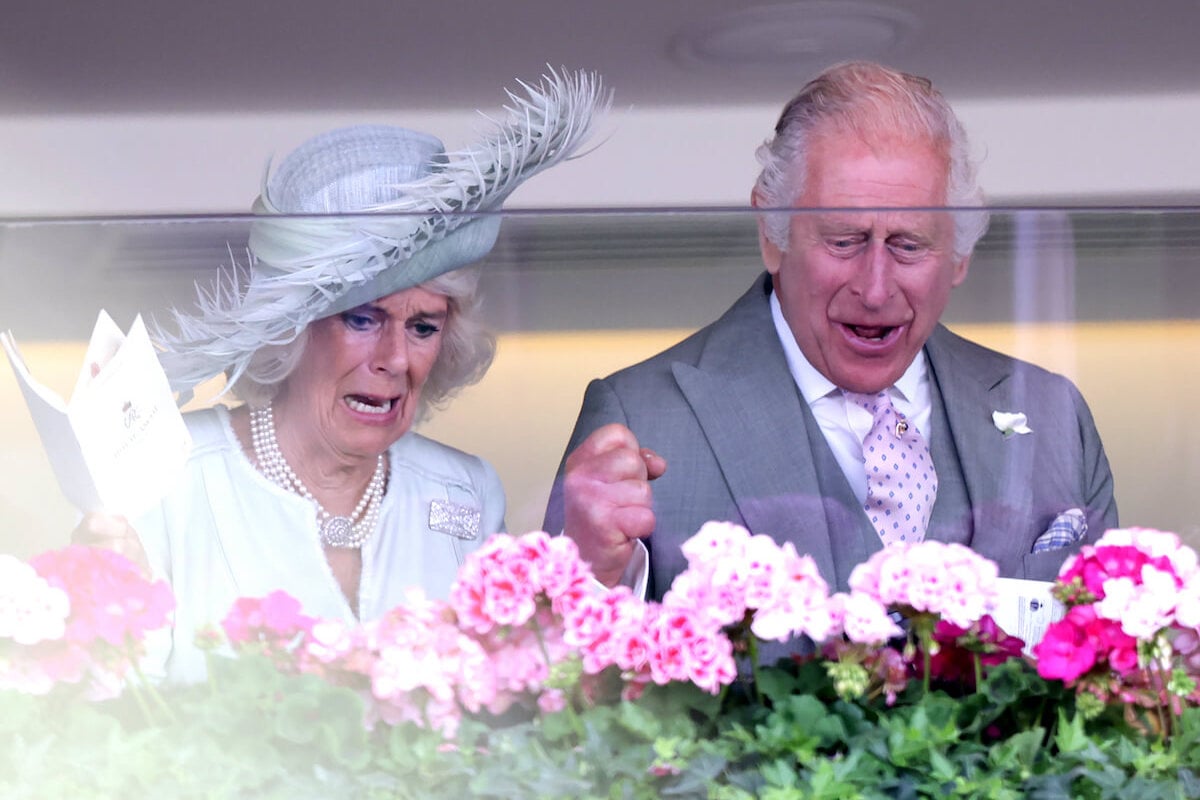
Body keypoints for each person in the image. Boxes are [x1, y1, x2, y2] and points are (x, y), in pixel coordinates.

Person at [74, 70, 608, 681]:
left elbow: (507, 704)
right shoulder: (166, 473)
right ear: (291, 330)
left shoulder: (465, 490)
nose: (396, 358)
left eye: (424, 327)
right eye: (362, 318)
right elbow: (108, 722)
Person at [545, 61, 1117, 602]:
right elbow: (556, 680)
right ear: (773, 234)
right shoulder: (638, 417)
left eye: (909, 245)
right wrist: (591, 572)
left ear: (959, 254)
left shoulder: (1053, 415)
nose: (874, 288)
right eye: (844, 241)